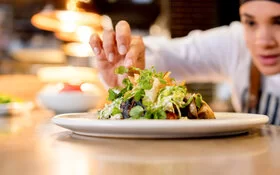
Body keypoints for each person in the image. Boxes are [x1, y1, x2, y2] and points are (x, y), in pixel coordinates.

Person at [89, 0, 280, 125]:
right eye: (251, 23)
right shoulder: (236, 44)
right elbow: (169, 55)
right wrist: (128, 64)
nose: (263, 41)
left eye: (279, 22)